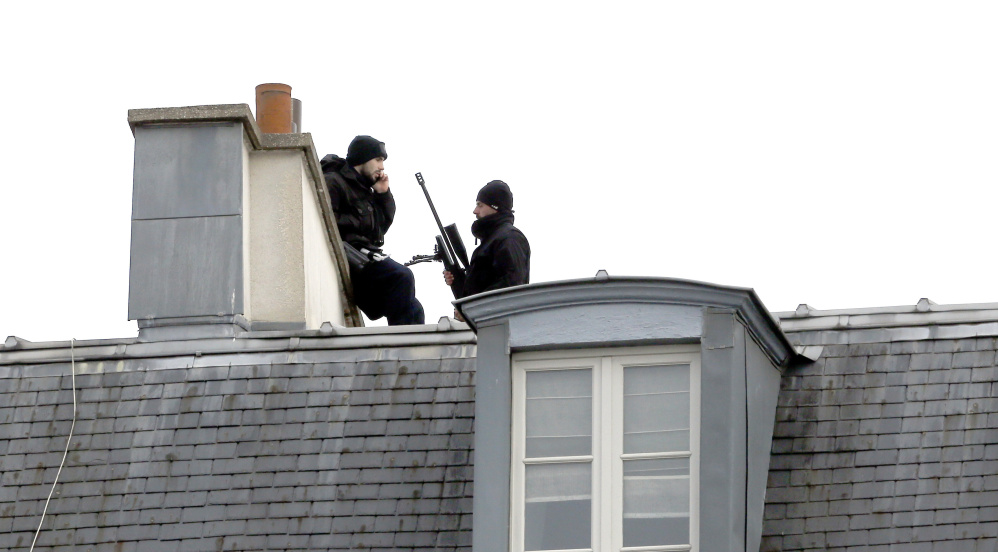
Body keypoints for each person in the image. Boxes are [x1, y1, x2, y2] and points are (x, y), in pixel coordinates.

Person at [321, 135, 424, 326]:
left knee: (414, 307)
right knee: (402, 276)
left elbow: (379, 231)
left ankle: (411, 351)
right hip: (352, 260)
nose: (382, 166)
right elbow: (325, 222)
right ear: (363, 158)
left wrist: (383, 194)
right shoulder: (333, 181)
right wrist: (357, 223)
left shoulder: (365, 189)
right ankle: (400, 344)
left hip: (367, 261)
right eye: (378, 159)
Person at [444, 180, 530, 300]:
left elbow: (512, 285)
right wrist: (460, 282)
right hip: (486, 316)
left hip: (499, 317)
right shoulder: (491, 240)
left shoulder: (509, 237)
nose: (475, 211)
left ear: (495, 207)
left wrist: (471, 306)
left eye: (480, 205)